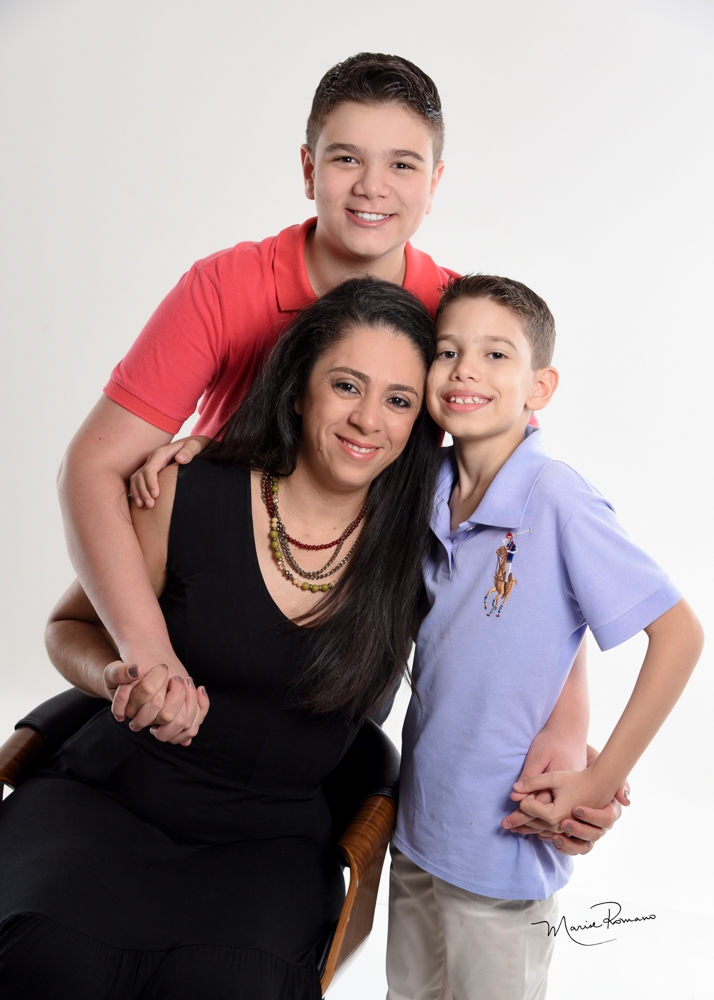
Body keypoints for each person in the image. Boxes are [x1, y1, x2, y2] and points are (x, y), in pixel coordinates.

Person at [58, 48, 620, 849]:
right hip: (212, 596)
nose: (371, 187)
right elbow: (92, 465)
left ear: (435, 182)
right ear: (307, 168)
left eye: (402, 164)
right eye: (347, 158)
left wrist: (568, 725)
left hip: (351, 623)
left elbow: (519, 521)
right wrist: (149, 651)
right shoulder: (225, 287)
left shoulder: (456, 320)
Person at [0, 278, 442, 999]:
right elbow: (68, 626)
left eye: (398, 400)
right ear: (298, 389)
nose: (368, 419)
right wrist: (119, 675)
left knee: (234, 985)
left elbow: (528, 609)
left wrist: (573, 747)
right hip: (108, 802)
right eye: (346, 385)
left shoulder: (427, 551)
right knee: (48, 958)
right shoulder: (185, 491)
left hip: (272, 845)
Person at [386, 275, 703, 1000]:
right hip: (419, 828)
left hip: (507, 839)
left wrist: (600, 777)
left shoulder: (557, 496)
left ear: (540, 387)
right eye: (447, 352)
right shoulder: (427, 485)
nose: (465, 370)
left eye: (496, 354)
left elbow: (679, 635)